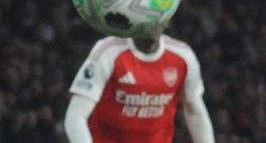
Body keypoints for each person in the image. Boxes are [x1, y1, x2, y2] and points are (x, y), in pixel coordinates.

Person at [65, 25, 215, 143]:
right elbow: (75, 117)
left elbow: (195, 111)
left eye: (156, 16)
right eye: (145, 16)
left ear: (167, 21)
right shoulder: (109, 52)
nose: (151, 23)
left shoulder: (183, 57)